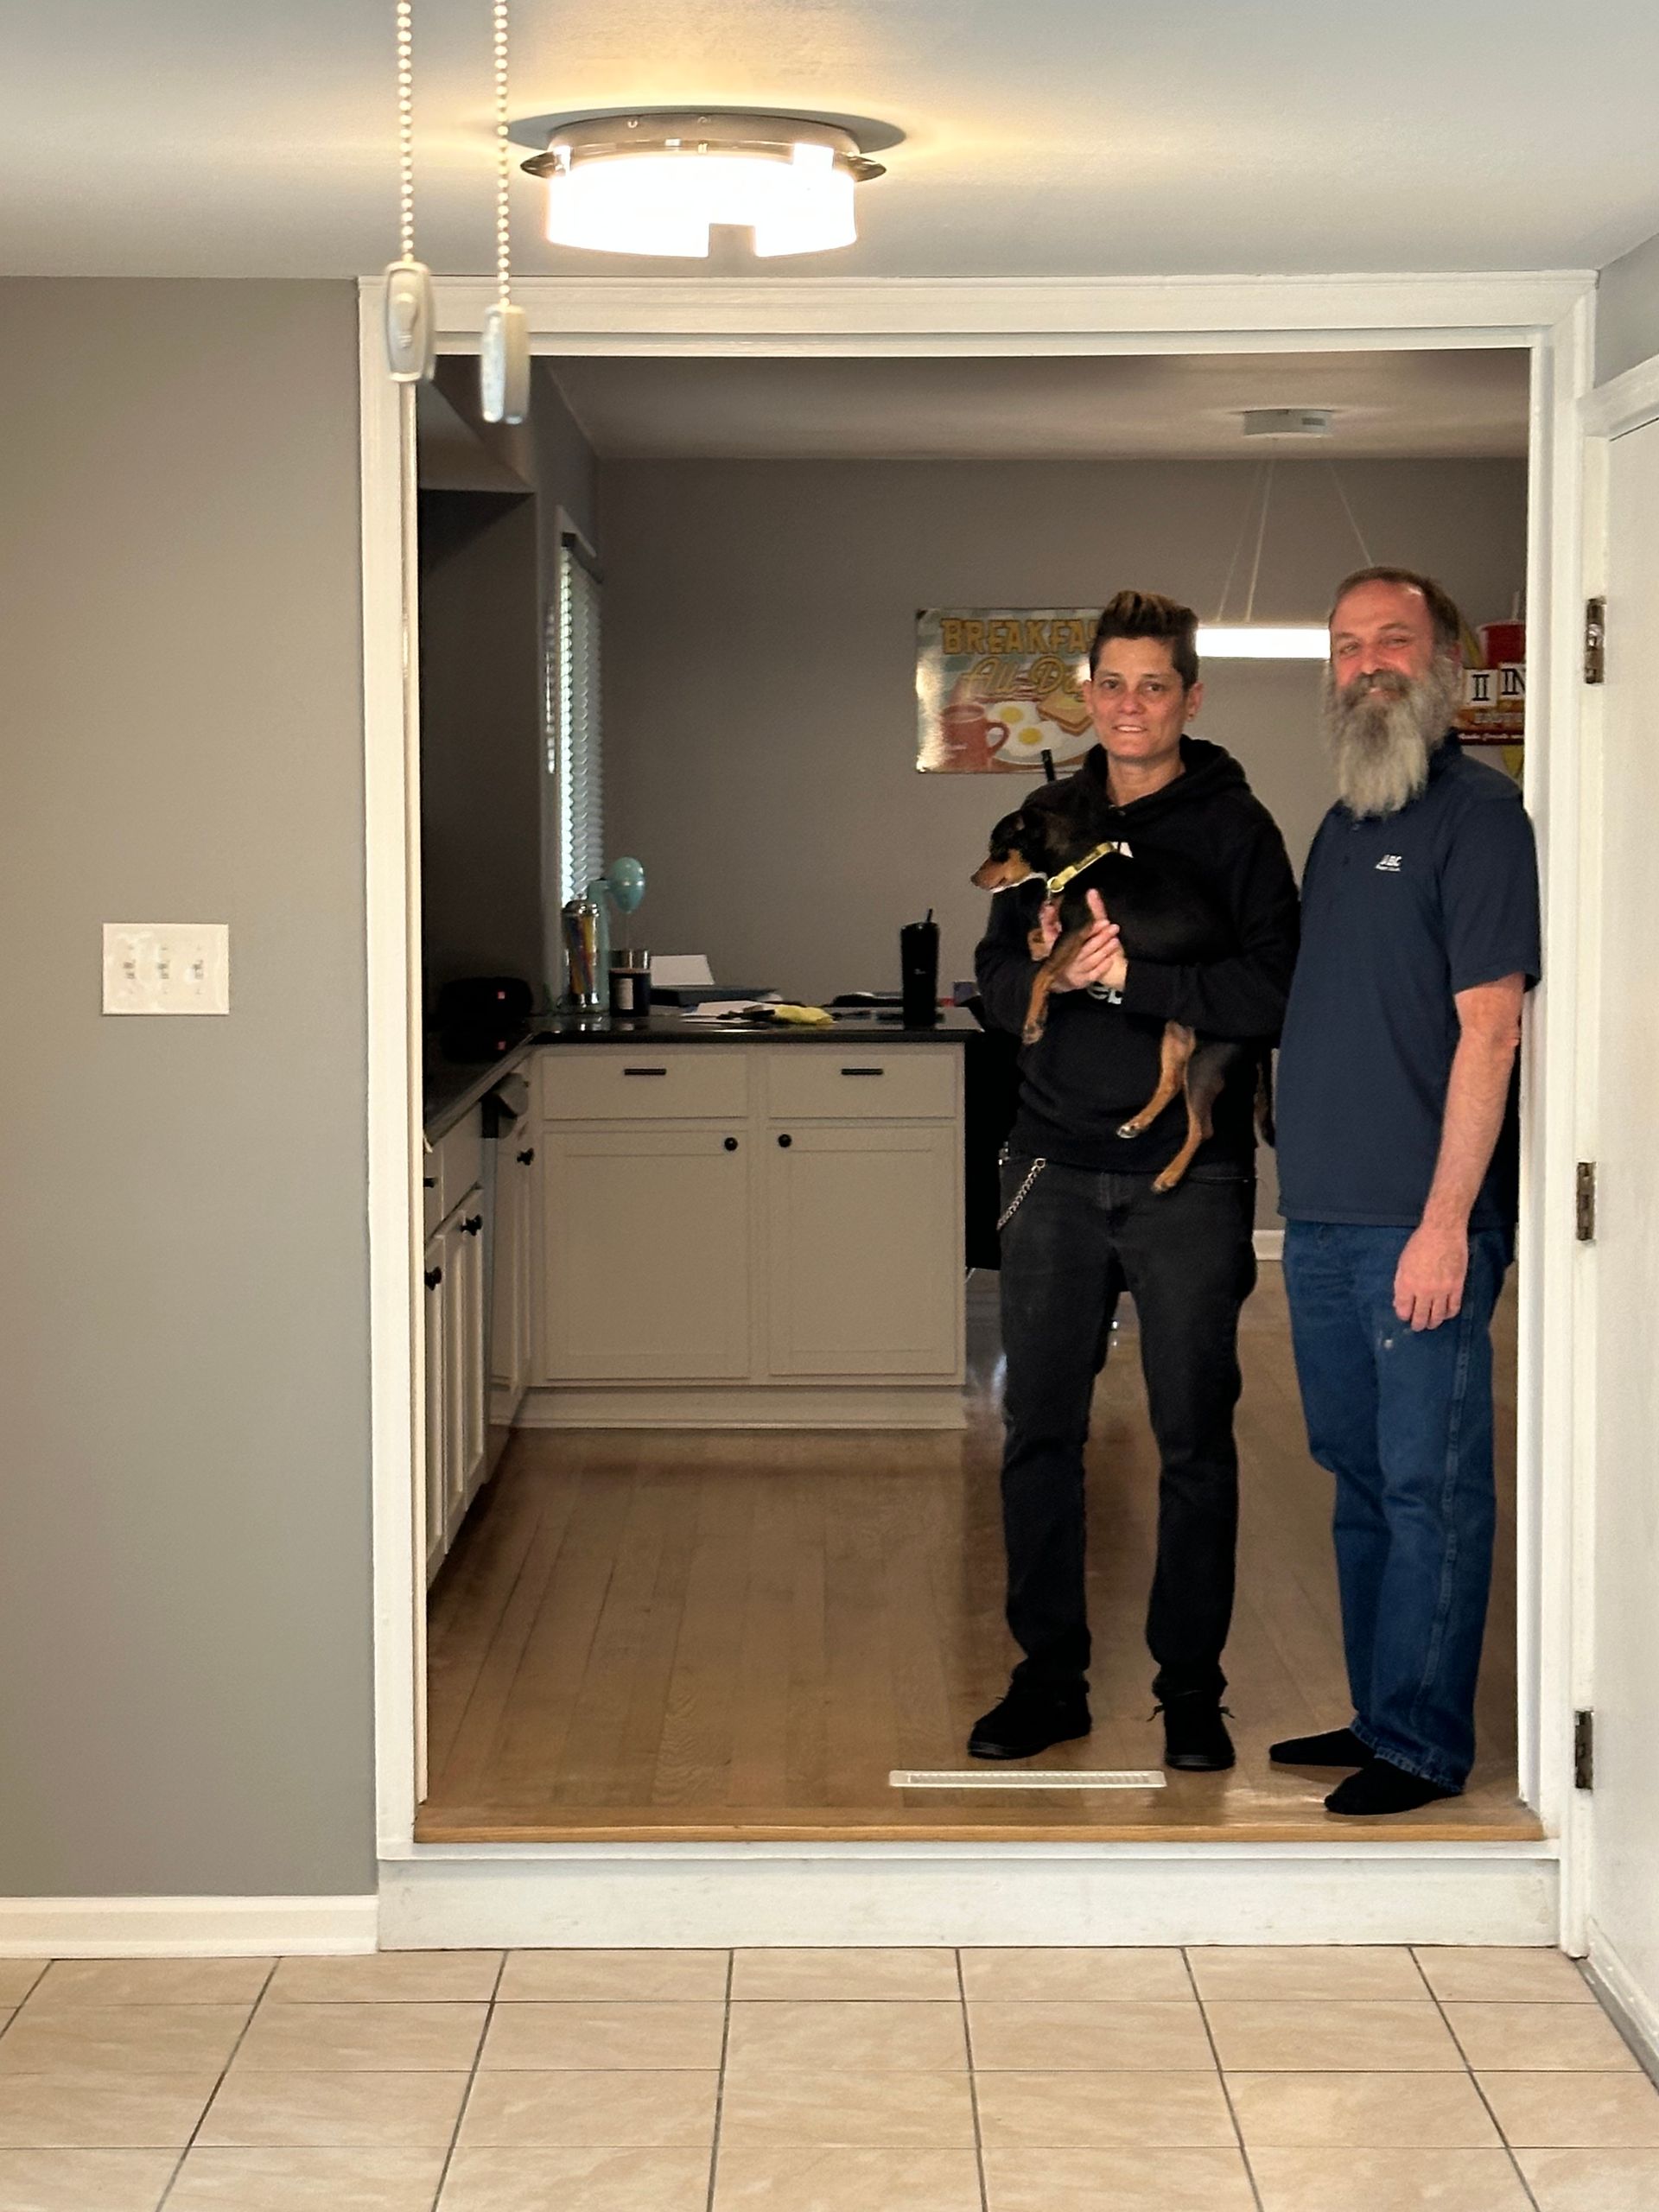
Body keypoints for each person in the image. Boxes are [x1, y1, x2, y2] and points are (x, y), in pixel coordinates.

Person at [971, 590, 1300, 1770]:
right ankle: (1048, 1679)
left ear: (1190, 698)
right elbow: (996, 987)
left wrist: (1128, 987)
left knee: (1194, 1441)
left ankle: (1192, 1693)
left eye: (1153, 685)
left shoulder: (1238, 831)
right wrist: (1049, 974)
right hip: (1053, 1168)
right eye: (1111, 683)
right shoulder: (1050, 819)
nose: (1129, 705)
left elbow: (1269, 995)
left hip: (1188, 1182)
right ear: (1091, 693)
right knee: (1038, 1433)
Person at [1272, 566, 1541, 1817]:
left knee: (1429, 1482)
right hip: (1323, 1220)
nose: (1367, 662)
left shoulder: (1481, 822)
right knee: (1360, 1475)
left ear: (1441, 664)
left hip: (1419, 1226)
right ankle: (1383, 1709)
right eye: (1346, 645)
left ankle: (1427, 1745)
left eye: (1393, 640)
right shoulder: (1344, 823)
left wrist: (1445, 1229)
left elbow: (1492, 1032)